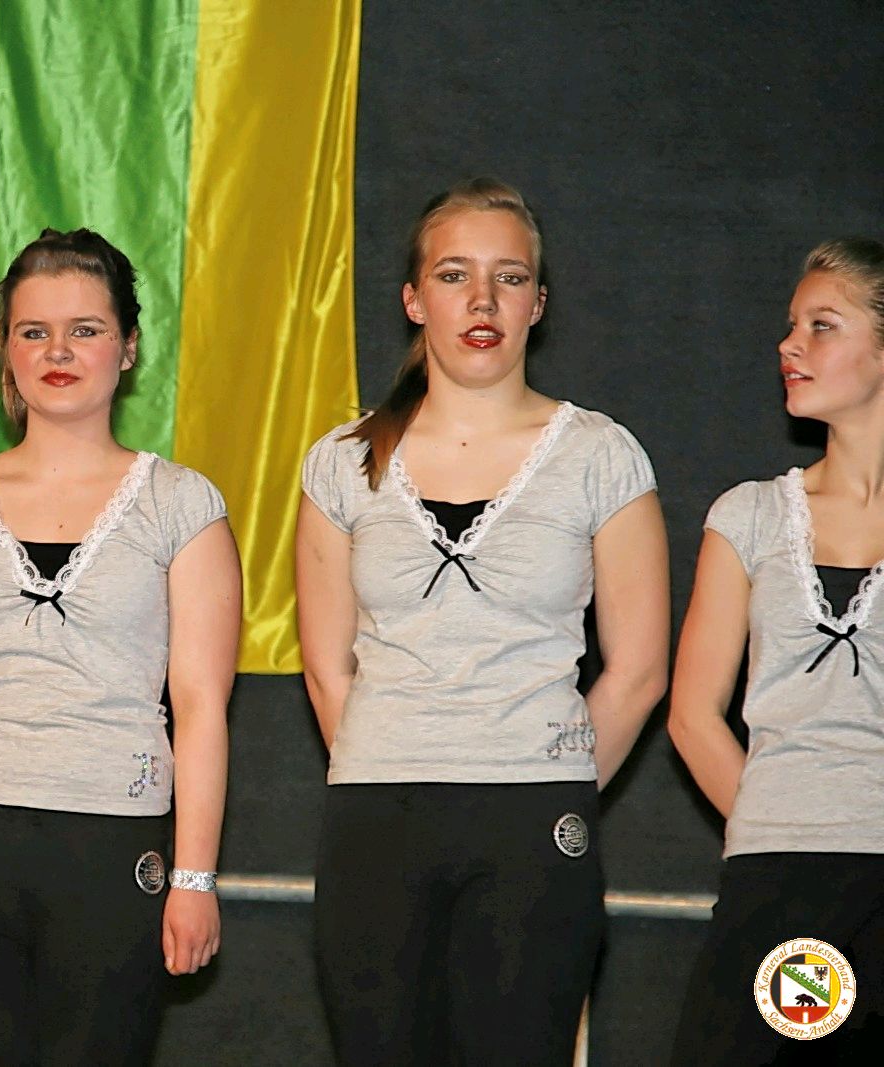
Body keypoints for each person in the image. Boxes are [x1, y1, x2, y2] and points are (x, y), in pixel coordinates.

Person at [295, 178, 670, 1064]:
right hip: (377, 813)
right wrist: (397, 761)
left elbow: (639, 669)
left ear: (538, 303)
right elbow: (326, 666)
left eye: (509, 277)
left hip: (533, 820)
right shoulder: (342, 462)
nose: (482, 300)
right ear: (413, 299)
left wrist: (551, 776)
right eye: (455, 274)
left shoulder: (600, 454)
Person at [0, 228, 240, 1064]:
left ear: (128, 347)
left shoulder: (183, 505)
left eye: (85, 329)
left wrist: (194, 875)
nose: (58, 351)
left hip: (111, 845)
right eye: (34, 331)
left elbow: (202, 706)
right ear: (7, 347)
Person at [669, 238, 884, 1062]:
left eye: (821, 325)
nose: (789, 345)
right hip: (779, 880)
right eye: (791, 325)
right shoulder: (750, 514)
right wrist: (781, 820)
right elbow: (692, 714)